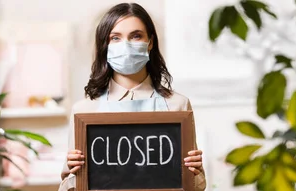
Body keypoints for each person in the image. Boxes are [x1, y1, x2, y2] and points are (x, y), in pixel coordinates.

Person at [58, 3, 206, 191]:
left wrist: (195, 170)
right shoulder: (84, 111)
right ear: (105, 45)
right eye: (115, 38)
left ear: (150, 42)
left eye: (136, 36)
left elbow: (194, 186)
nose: (126, 45)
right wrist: (73, 173)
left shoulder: (178, 105)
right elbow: (69, 187)